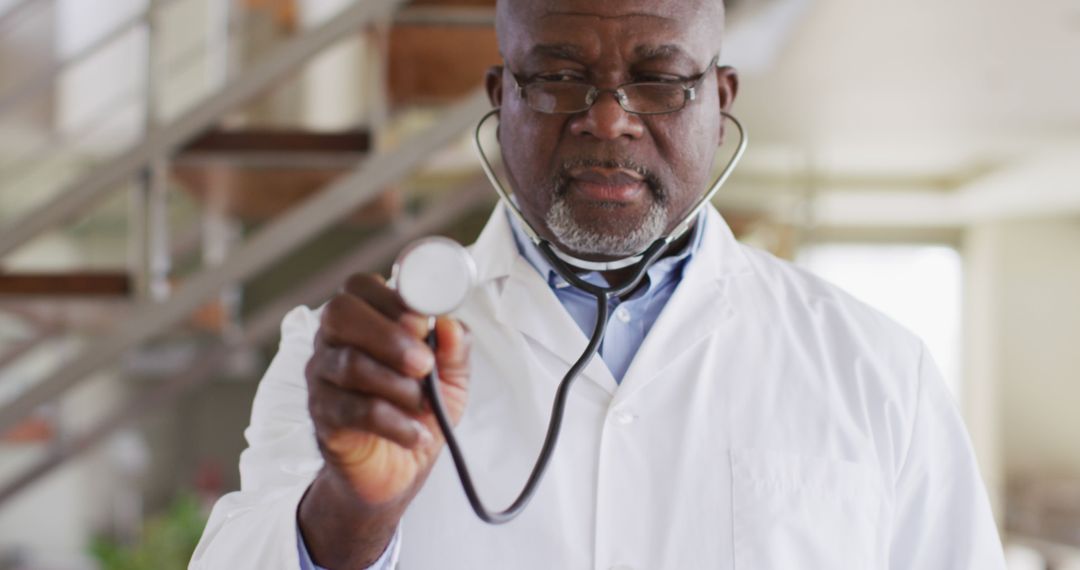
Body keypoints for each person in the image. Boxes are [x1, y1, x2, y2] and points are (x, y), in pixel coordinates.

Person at [190, 0, 1007, 568]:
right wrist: (348, 518)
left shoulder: (877, 371)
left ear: (718, 104)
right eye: (557, 77)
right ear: (501, 98)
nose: (608, 119)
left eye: (659, 79)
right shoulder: (351, 361)